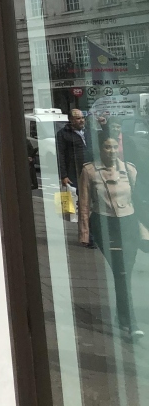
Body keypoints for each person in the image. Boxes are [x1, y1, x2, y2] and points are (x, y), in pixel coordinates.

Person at [79, 132, 142, 339]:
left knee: (124, 272)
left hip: (128, 224)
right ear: (100, 149)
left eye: (115, 147)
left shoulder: (130, 170)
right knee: (121, 272)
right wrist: (84, 233)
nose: (112, 151)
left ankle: (124, 318)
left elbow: (138, 202)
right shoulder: (89, 171)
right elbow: (85, 204)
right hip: (104, 224)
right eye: (107, 147)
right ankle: (131, 323)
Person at [56, 109, 90, 193]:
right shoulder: (63, 134)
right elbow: (60, 155)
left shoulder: (88, 131)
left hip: (89, 169)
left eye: (83, 118)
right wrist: (64, 176)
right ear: (71, 120)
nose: (82, 120)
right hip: (74, 172)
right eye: (78, 118)